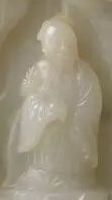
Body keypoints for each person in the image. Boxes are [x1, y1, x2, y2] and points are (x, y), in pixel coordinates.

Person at [17, 15, 102, 190]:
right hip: (47, 137)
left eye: (68, 44)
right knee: (47, 122)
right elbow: (29, 95)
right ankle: (43, 172)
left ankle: (69, 176)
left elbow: (90, 106)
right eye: (57, 44)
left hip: (73, 144)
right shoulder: (41, 70)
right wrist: (47, 111)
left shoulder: (83, 75)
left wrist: (72, 121)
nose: (63, 49)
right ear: (46, 48)